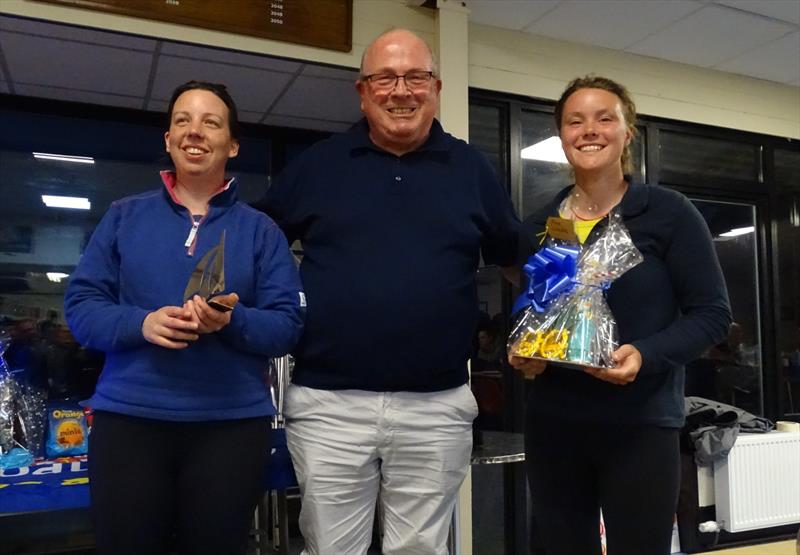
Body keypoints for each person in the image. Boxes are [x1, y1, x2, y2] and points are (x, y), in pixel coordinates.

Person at [261, 28, 519, 555]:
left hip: (437, 405)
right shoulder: (317, 165)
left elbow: (515, 260)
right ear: (363, 90)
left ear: (436, 87)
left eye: (416, 77)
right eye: (385, 78)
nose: (400, 90)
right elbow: (256, 250)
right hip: (329, 406)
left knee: (421, 550)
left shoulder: (470, 168)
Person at [64, 80, 304, 555]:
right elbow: (81, 308)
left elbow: (287, 326)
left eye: (210, 122)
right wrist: (141, 324)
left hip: (230, 428)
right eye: (182, 121)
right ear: (168, 140)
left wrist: (230, 323)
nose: (195, 132)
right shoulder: (122, 217)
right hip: (130, 423)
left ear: (232, 145)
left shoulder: (262, 231)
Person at [509, 76, 731, 555]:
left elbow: (712, 315)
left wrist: (644, 355)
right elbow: (540, 317)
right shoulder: (543, 226)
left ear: (628, 132)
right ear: (562, 135)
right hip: (554, 424)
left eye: (605, 118)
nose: (590, 130)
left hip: (642, 425)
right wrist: (528, 353)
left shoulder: (667, 213)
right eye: (575, 120)